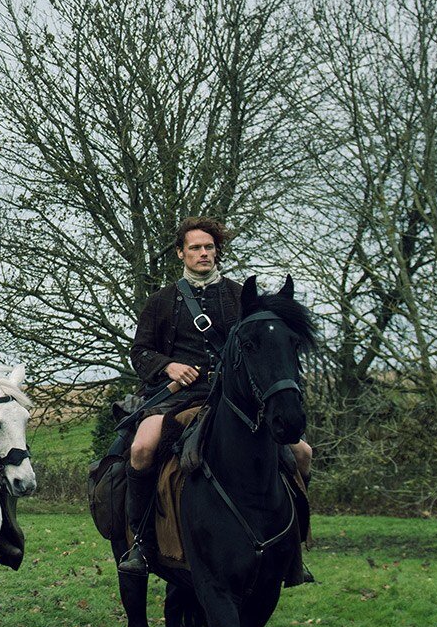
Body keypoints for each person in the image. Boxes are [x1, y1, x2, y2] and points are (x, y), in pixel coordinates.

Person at [118, 218, 312, 575]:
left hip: (232, 398)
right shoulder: (160, 301)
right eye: (195, 248)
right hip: (176, 398)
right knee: (141, 448)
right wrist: (169, 366)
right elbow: (140, 351)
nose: (203, 253)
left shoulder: (242, 297)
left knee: (302, 452)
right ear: (181, 253)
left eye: (209, 247)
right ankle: (141, 546)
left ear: (216, 251)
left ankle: (293, 547)